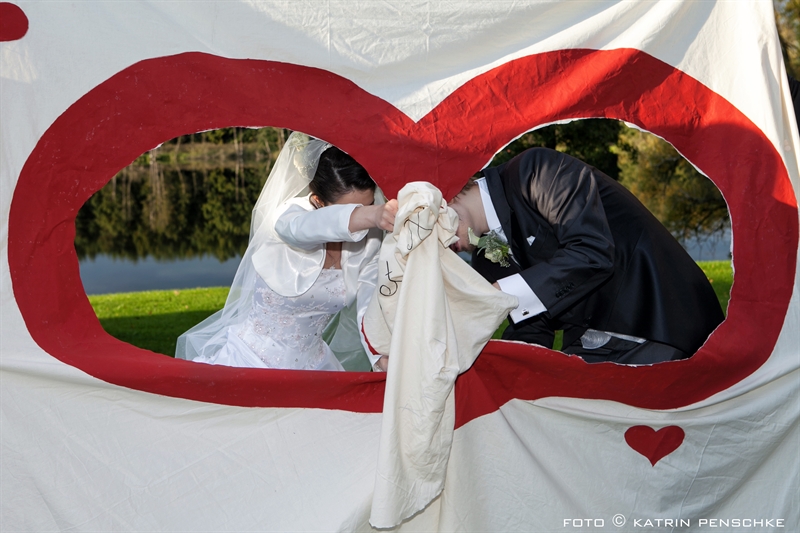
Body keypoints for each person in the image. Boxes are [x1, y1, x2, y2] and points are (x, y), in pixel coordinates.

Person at [448, 147, 725, 365]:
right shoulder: (485, 258)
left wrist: (503, 292)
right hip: (592, 344)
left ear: (443, 194)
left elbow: (593, 252)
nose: (440, 247)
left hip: (657, 320)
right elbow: (532, 325)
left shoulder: (534, 170)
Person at [176, 132, 396, 371]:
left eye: (369, 205)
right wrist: (373, 214)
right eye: (352, 210)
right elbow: (302, 230)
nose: (363, 220)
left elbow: (368, 303)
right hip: (249, 361)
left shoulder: (372, 238)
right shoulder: (288, 216)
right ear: (318, 201)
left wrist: (378, 355)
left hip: (316, 367)